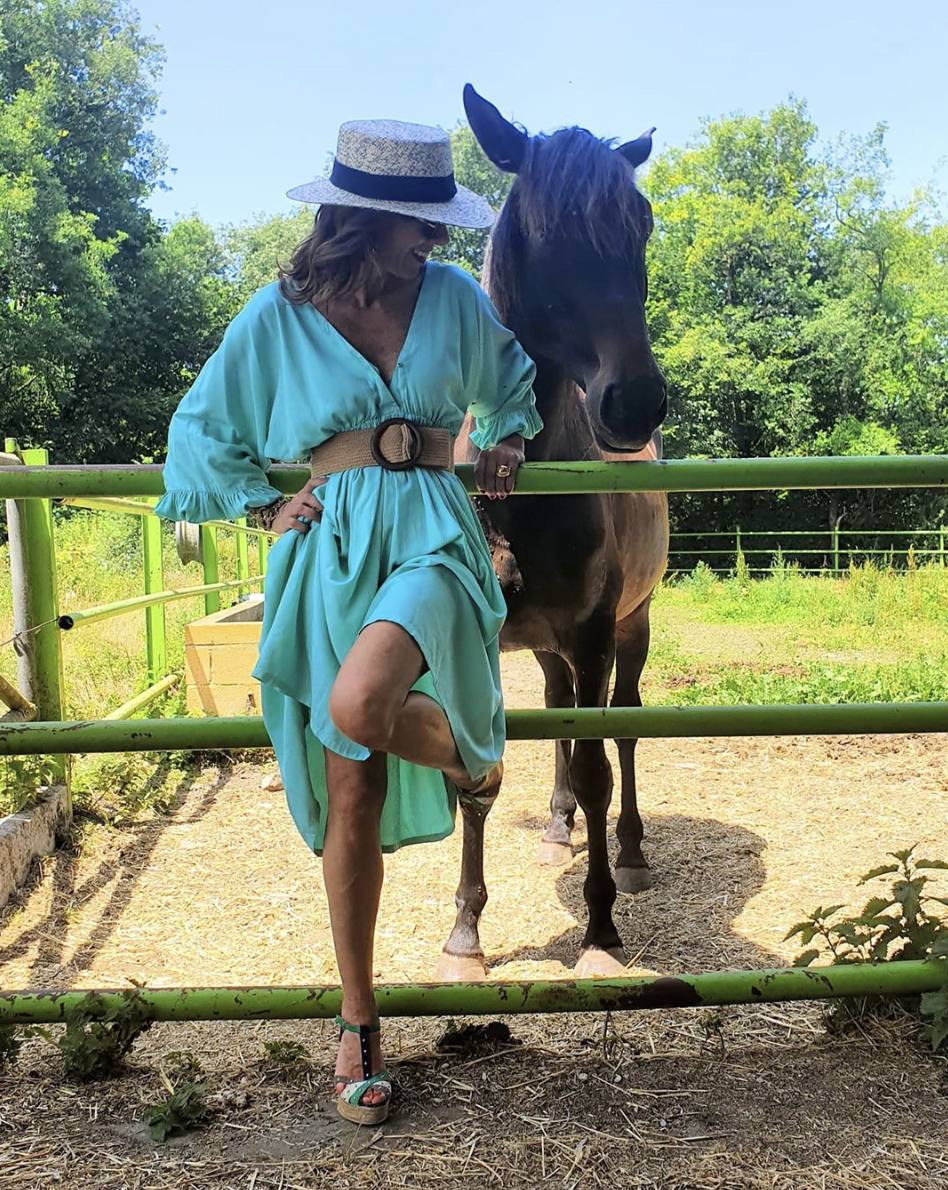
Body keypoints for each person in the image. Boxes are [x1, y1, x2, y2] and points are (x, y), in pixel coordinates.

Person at [155, 119, 541, 1125]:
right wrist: (258, 504)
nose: (437, 242)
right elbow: (202, 428)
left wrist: (499, 439)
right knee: (350, 786)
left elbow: (513, 385)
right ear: (366, 220)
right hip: (327, 548)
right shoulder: (277, 316)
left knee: (363, 701)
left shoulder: (454, 299)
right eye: (421, 225)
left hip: (431, 535)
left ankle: (465, 752)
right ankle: (359, 1019)